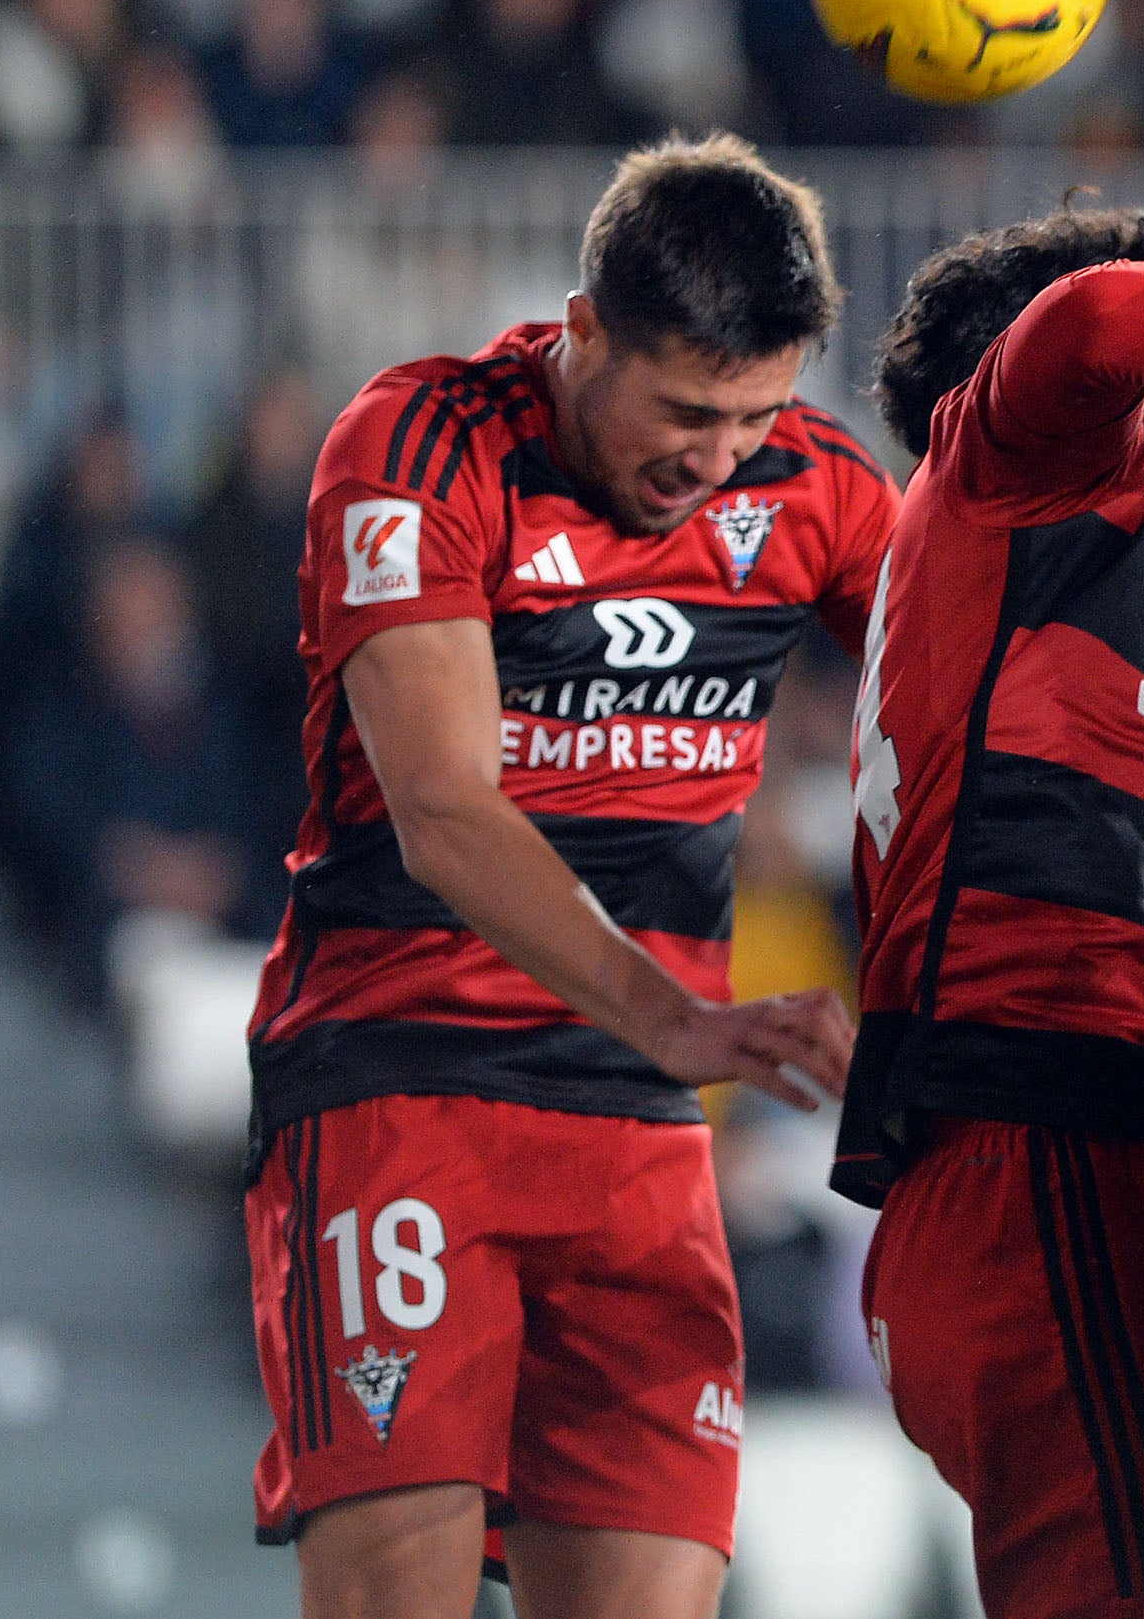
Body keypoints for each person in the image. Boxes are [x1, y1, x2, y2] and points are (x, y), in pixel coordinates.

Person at [244, 133, 891, 1619]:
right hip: (400, 1082)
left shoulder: (816, 487)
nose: (717, 454)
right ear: (582, 327)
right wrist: (671, 1016)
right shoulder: (415, 443)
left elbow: (970, 707)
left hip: (643, 1131)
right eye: (683, 409)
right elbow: (444, 810)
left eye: (753, 414)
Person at [834, 210, 1144, 1619]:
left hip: (1096, 1167)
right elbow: (1104, 315)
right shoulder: (1006, 480)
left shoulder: (1097, 627)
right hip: (1041, 1163)